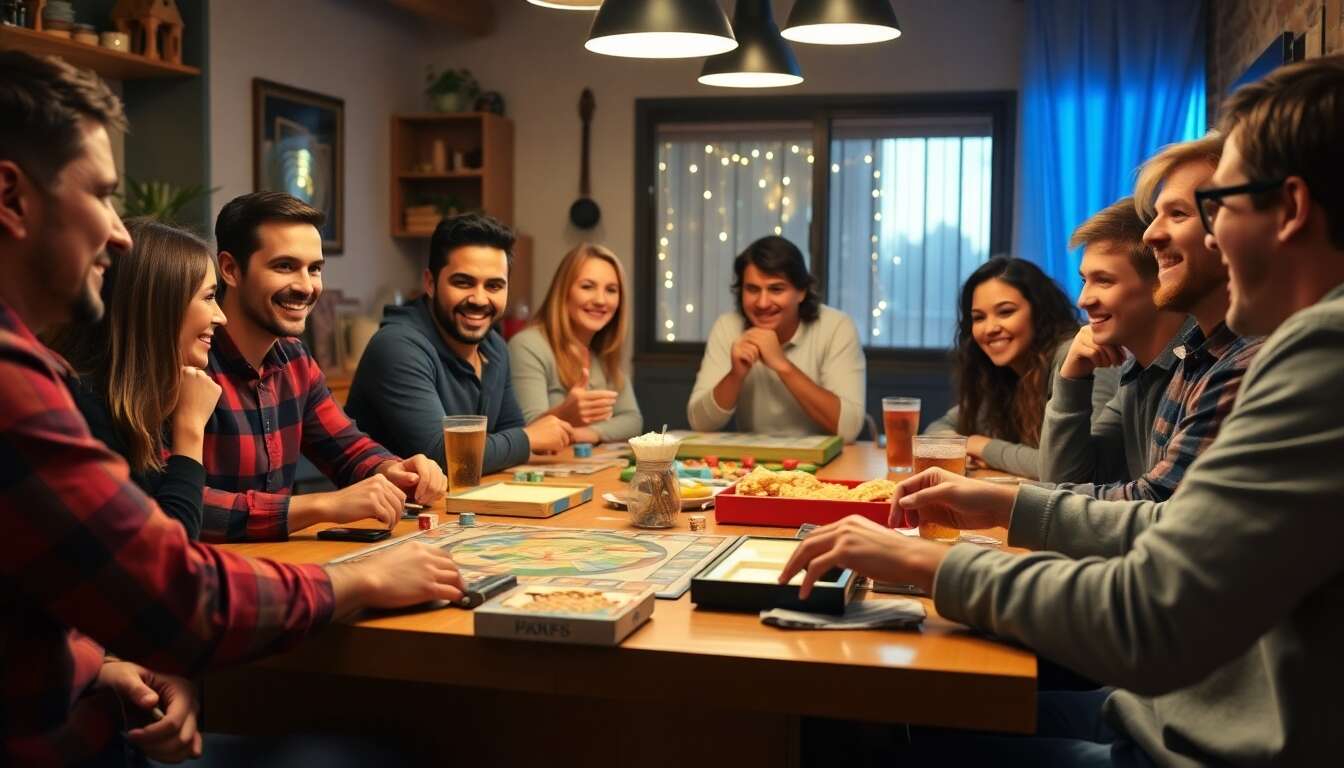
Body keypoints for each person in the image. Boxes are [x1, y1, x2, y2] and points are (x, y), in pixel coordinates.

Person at [781, 54, 1344, 767]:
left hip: (1189, 740)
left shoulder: (1321, 349)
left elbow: (1148, 611)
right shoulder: (1266, 348)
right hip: (1167, 711)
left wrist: (925, 563)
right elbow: (1166, 520)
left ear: (1290, 210)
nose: (1172, 236)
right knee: (876, 703)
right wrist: (1003, 505)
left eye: (1215, 207)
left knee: (862, 724)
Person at [0, 51, 463, 766]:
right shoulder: (38, 383)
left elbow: (62, 608)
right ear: (11, 196)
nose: (121, 233)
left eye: (315, 268)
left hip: (124, 694)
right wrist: (353, 572)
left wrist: (398, 470)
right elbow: (169, 583)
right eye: (101, 195)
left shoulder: (288, 361)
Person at [202, 191, 448, 542]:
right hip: (207, 580)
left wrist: (395, 470)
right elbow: (180, 506)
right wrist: (321, 506)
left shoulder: (295, 359)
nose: (306, 286)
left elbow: (347, 448)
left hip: (280, 566)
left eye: (314, 268)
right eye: (285, 266)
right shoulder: (189, 361)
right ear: (230, 269)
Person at [346, 212, 574, 475]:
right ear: (430, 283)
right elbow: (443, 456)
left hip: (460, 507)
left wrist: (522, 439)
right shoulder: (397, 346)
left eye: (494, 286)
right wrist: (529, 439)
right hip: (386, 515)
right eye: (463, 283)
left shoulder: (494, 346)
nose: (479, 299)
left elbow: (511, 432)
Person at [50, 219, 225, 540]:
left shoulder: (134, 401)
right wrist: (190, 428)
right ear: (161, 306)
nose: (220, 316)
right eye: (209, 297)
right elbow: (170, 549)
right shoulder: (83, 409)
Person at [1036, 198, 1190, 487]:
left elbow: (1165, 509)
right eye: (1085, 281)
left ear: (1163, 282)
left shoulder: (1205, 367)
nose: (1083, 300)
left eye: (1104, 281)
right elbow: (1063, 484)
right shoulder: (1137, 374)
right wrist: (1071, 380)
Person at [924, 257, 1118, 478]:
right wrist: (963, 445)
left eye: (1005, 312)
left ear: (1039, 311)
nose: (990, 328)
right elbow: (937, 430)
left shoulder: (1080, 359)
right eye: (979, 318)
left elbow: (1068, 468)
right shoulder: (1004, 373)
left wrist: (982, 446)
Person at [687, 235, 866, 441]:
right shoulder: (728, 327)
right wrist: (735, 375)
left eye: (776, 289)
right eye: (752, 289)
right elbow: (699, 423)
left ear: (801, 292)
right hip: (752, 465)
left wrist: (782, 365)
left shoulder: (836, 326)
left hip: (826, 462)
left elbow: (849, 428)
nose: (762, 303)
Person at [508, 243, 642, 444]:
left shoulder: (604, 353)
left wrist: (585, 433)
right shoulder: (528, 345)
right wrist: (565, 413)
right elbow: (529, 432)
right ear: (564, 292)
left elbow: (633, 421)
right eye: (587, 286)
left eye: (611, 290)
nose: (600, 300)